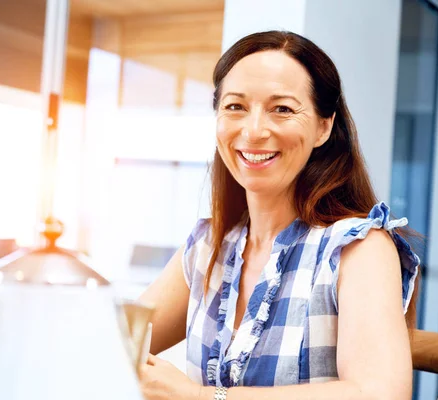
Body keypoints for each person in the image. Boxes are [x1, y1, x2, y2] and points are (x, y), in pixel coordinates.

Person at [137, 30, 420, 400]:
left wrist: (203, 397)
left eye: (282, 109)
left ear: (324, 126)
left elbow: (381, 393)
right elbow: (115, 343)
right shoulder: (209, 244)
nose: (254, 131)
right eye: (235, 106)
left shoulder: (357, 247)